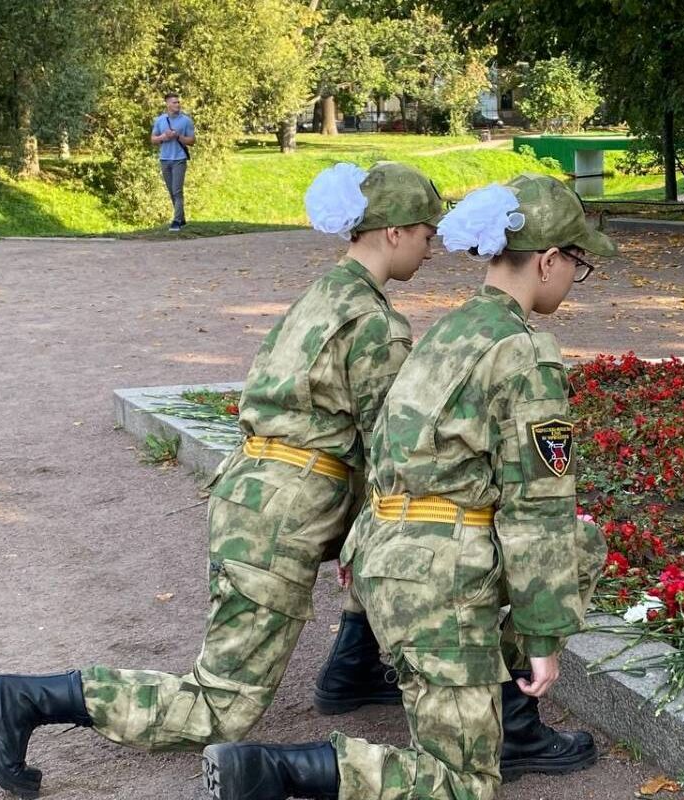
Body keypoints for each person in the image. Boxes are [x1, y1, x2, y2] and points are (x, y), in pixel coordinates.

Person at [0, 161, 444, 800]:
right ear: (391, 232)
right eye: (425, 232)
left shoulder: (325, 294)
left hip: (256, 489)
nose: (430, 246)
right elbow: (390, 449)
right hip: (287, 509)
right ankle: (25, 699)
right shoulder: (375, 323)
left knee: (360, 538)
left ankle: (352, 671)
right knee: (220, 707)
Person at [199, 173, 615, 800]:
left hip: (386, 564)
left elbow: (386, 449)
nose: (574, 279)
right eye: (576, 264)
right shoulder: (527, 353)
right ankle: (275, 771)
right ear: (549, 261)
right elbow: (537, 512)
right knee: (462, 784)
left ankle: (482, 712)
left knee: (570, 548)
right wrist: (543, 641)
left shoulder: (447, 331)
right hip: (441, 582)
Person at [150, 92, 196, 232]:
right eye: (174, 102)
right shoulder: (160, 120)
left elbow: (192, 141)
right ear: (167, 104)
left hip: (179, 159)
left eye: (178, 102)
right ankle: (182, 219)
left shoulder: (186, 120)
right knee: (171, 191)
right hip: (165, 159)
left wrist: (178, 136)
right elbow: (153, 139)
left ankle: (176, 221)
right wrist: (164, 136)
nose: (177, 104)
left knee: (177, 190)